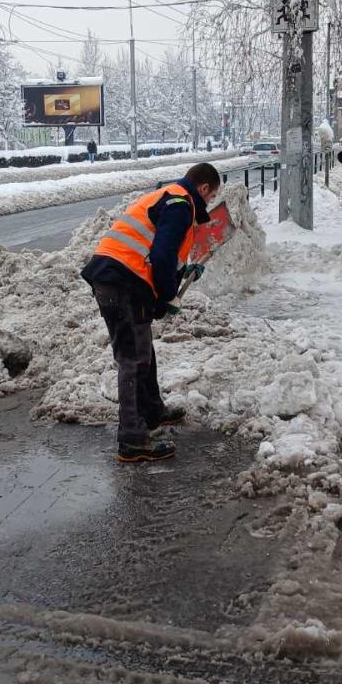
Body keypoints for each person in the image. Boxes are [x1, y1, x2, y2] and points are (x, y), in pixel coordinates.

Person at [82, 162, 221, 463]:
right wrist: (166, 295)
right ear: (204, 188)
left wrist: (177, 277)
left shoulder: (169, 196)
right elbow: (161, 255)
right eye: (210, 199)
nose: (208, 204)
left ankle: (152, 411)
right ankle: (132, 439)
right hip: (120, 281)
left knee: (142, 347)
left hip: (120, 278)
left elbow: (160, 252)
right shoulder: (180, 203)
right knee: (132, 357)